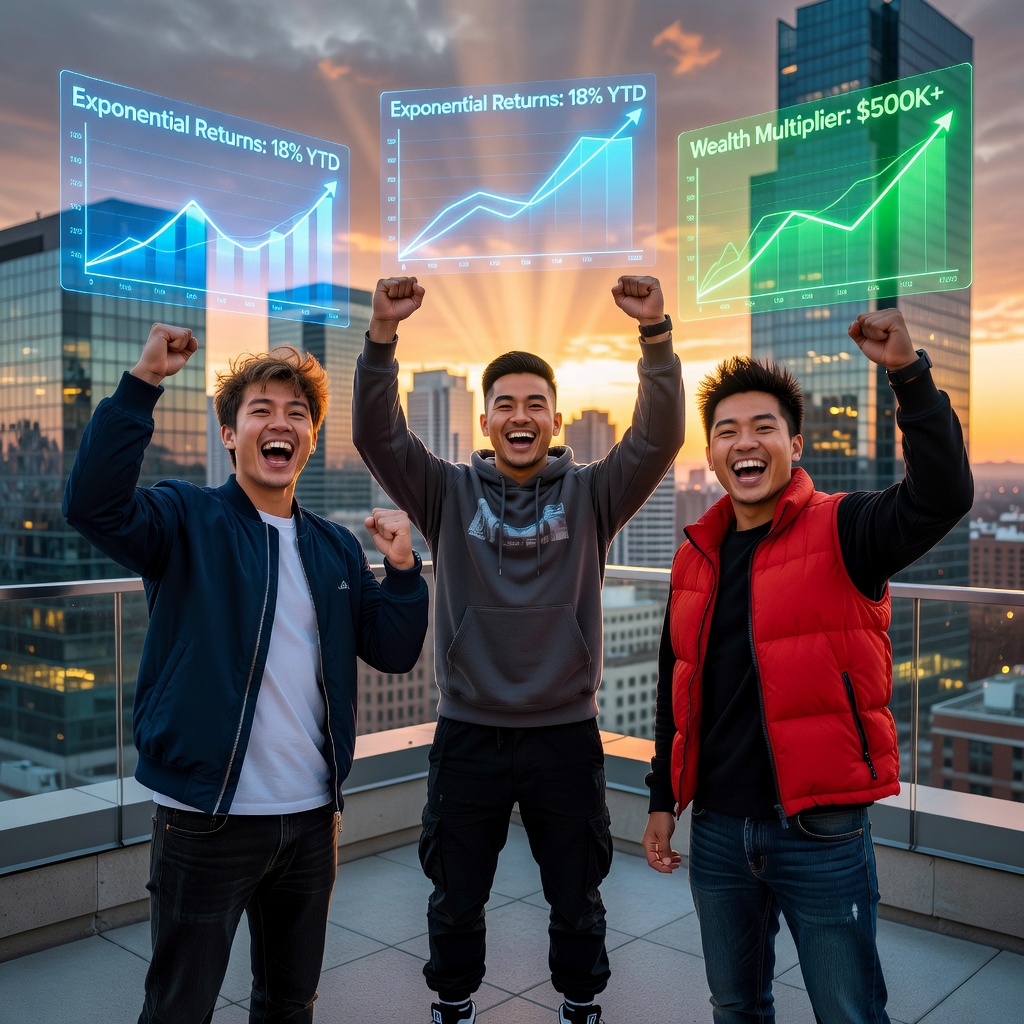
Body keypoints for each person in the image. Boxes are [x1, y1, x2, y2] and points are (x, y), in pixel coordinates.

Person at [62, 324, 429, 1024]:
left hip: (312, 822)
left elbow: (390, 649)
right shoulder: (186, 517)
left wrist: (405, 573)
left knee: (289, 1002)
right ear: (230, 435)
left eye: (296, 414)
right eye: (260, 410)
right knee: (179, 1006)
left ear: (310, 440)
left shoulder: (332, 547)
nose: (280, 423)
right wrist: (143, 381)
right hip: (206, 822)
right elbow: (93, 506)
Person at [353, 275, 684, 1024]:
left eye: (535, 402)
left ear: (556, 418)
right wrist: (381, 334)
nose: (521, 415)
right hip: (468, 731)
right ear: (486, 420)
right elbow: (378, 436)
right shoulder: (446, 493)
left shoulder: (594, 495)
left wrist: (655, 333)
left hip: (564, 735)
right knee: (456, 890)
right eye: (505, 403)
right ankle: (453, 1001)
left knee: (577, 891)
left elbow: (659, 437)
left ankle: (579, 1002)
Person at [641, 309, 973, 1023]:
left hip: (821, 832)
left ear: (795, 442)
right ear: (711, 454)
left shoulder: (846, 528)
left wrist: (908, 375)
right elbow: (678, 687)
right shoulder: (694, 556)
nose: (744, 442)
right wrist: (662, 802)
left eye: (763, 427)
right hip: (721, 832)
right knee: (735, 1006)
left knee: (848, 1012)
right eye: (726, 431)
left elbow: (943, 496)